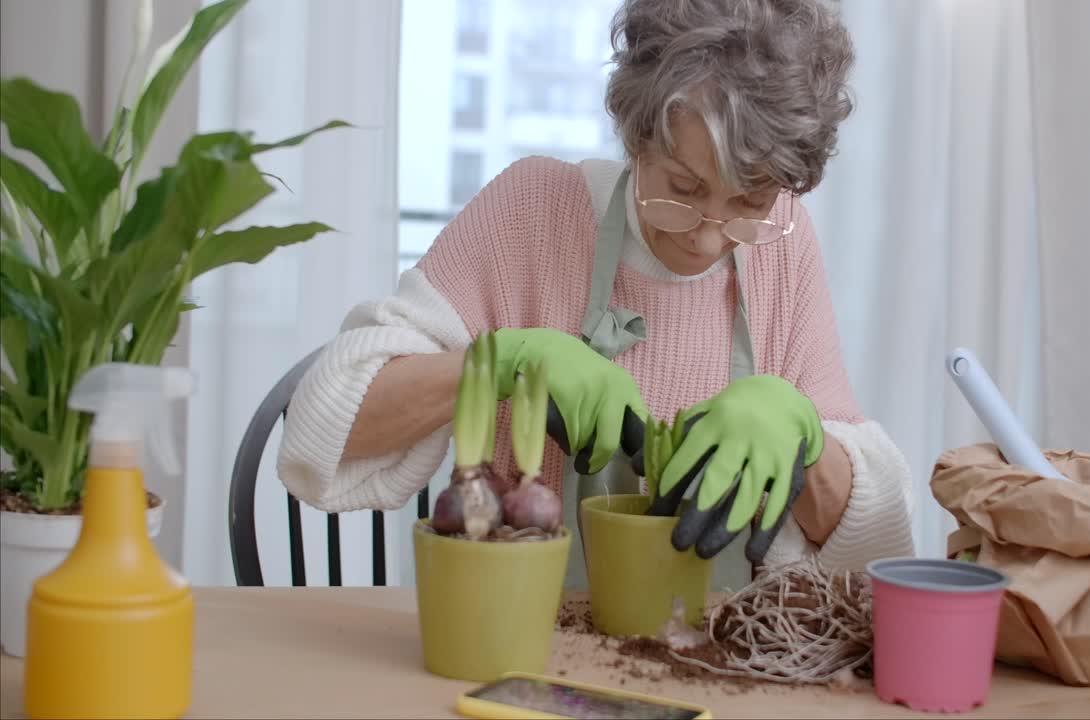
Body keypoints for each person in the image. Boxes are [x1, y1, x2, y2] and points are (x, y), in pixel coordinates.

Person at [278, 0, 915, 580]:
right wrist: (501, 363)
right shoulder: (534, 210)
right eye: (684, 191)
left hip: (718, 660)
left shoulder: (783, 242)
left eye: (747, 203)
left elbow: (875, 547)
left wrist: (805, 441)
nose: (708, 240)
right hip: (522, 637)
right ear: (637, 136)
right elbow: (322, 424)